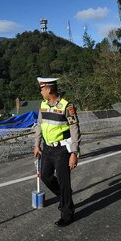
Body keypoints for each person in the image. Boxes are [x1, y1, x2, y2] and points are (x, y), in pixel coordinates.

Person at [33, 77, 81, 227]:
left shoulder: (67, 106)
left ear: (48, 89)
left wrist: (74, 153)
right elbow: (39, 126)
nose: (41, 92)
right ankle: (64, 198)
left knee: (64, 182)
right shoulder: (43, 104)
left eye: (42, 89)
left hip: (62, 150)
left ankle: (67, 214)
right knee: (46, 176)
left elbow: (75, 130)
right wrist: (37, 144)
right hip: (47, 148)